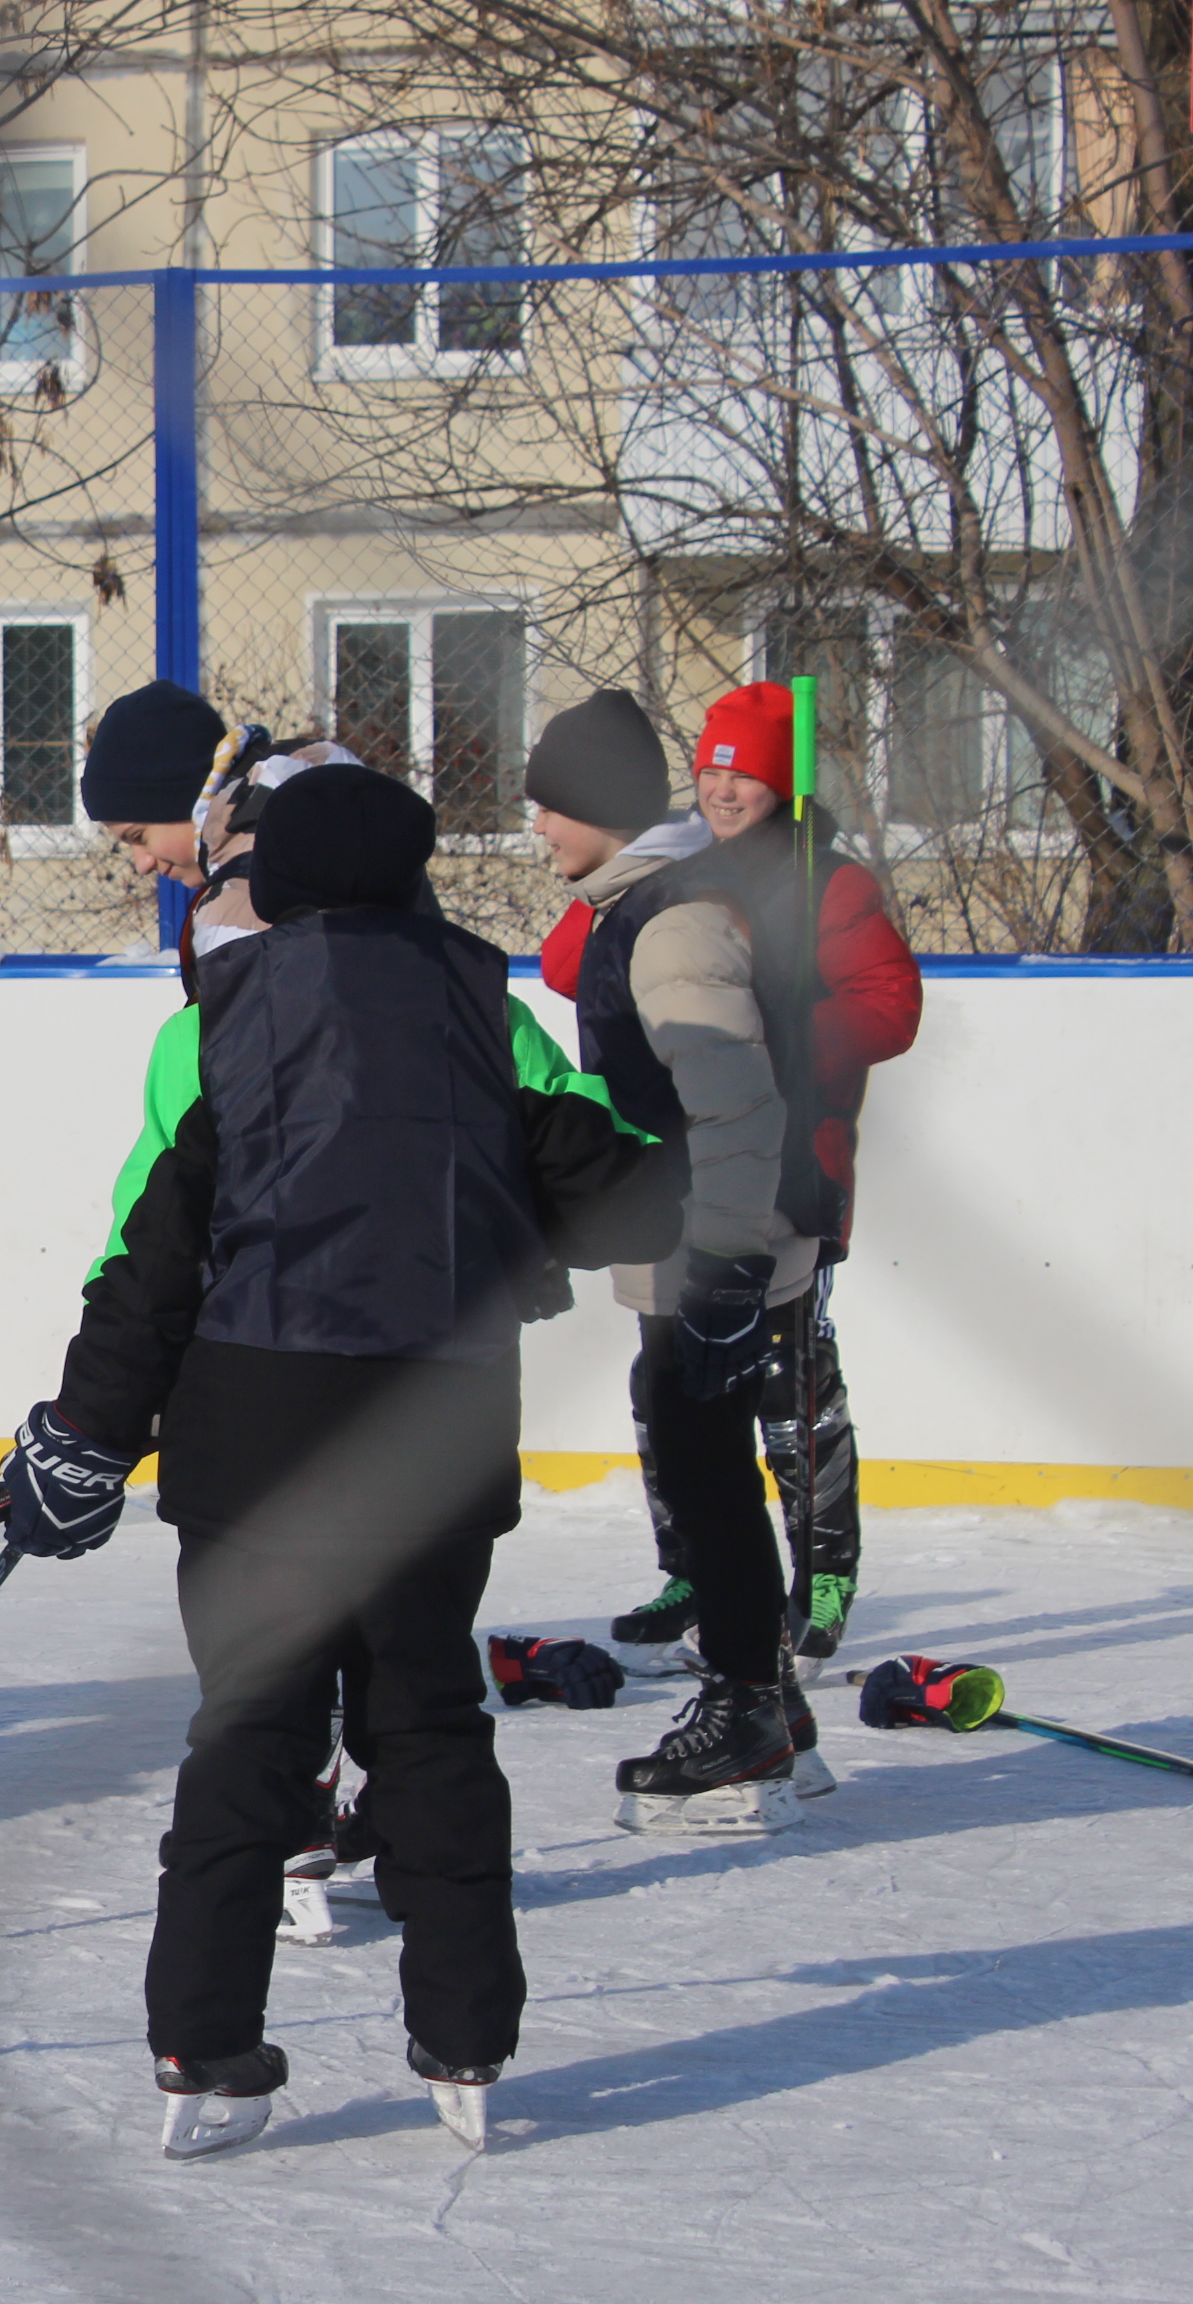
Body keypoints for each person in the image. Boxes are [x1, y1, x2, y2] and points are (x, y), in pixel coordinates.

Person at [0, 764, 682, 2159]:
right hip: (430, 1433)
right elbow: (632, 1196)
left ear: (282, 884)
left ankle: (206, 2050)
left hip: (256, 1440)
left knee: (250, 1733)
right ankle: (468, 2035)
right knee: (427, 1725)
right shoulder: (489, 1020)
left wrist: (84, 1434)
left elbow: (152, 1261)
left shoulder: (216, 1026)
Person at [524, 685, 857, 1831]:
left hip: (719, 1232)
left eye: (549, 810)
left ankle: (744, 1714)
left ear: (598, 811)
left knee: (705, 1465)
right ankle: (773, 1710)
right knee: (702, 1454)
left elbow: (735, 1107)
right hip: (710, 1228)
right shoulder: (653, 906)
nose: (537, 833)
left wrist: (720, 1268)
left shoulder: (671, 924)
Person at [542, 684, 919, 1664]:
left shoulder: (828, 883)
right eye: (708, 768)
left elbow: (891, 1003)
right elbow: (568, 964)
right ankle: (696, 1564)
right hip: (680, 1176)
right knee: (669, 1385)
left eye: (742, 770)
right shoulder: (687, 877)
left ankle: (821, 1571)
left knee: (789, 1383)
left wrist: (789, 1043)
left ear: (783, 782)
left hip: (790, 1168)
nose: (721, 787)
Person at [81, 677, 229, 927]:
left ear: (195, 801)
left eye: (140, 837)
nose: (142, 864)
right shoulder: (250, 890)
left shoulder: (267, 905)